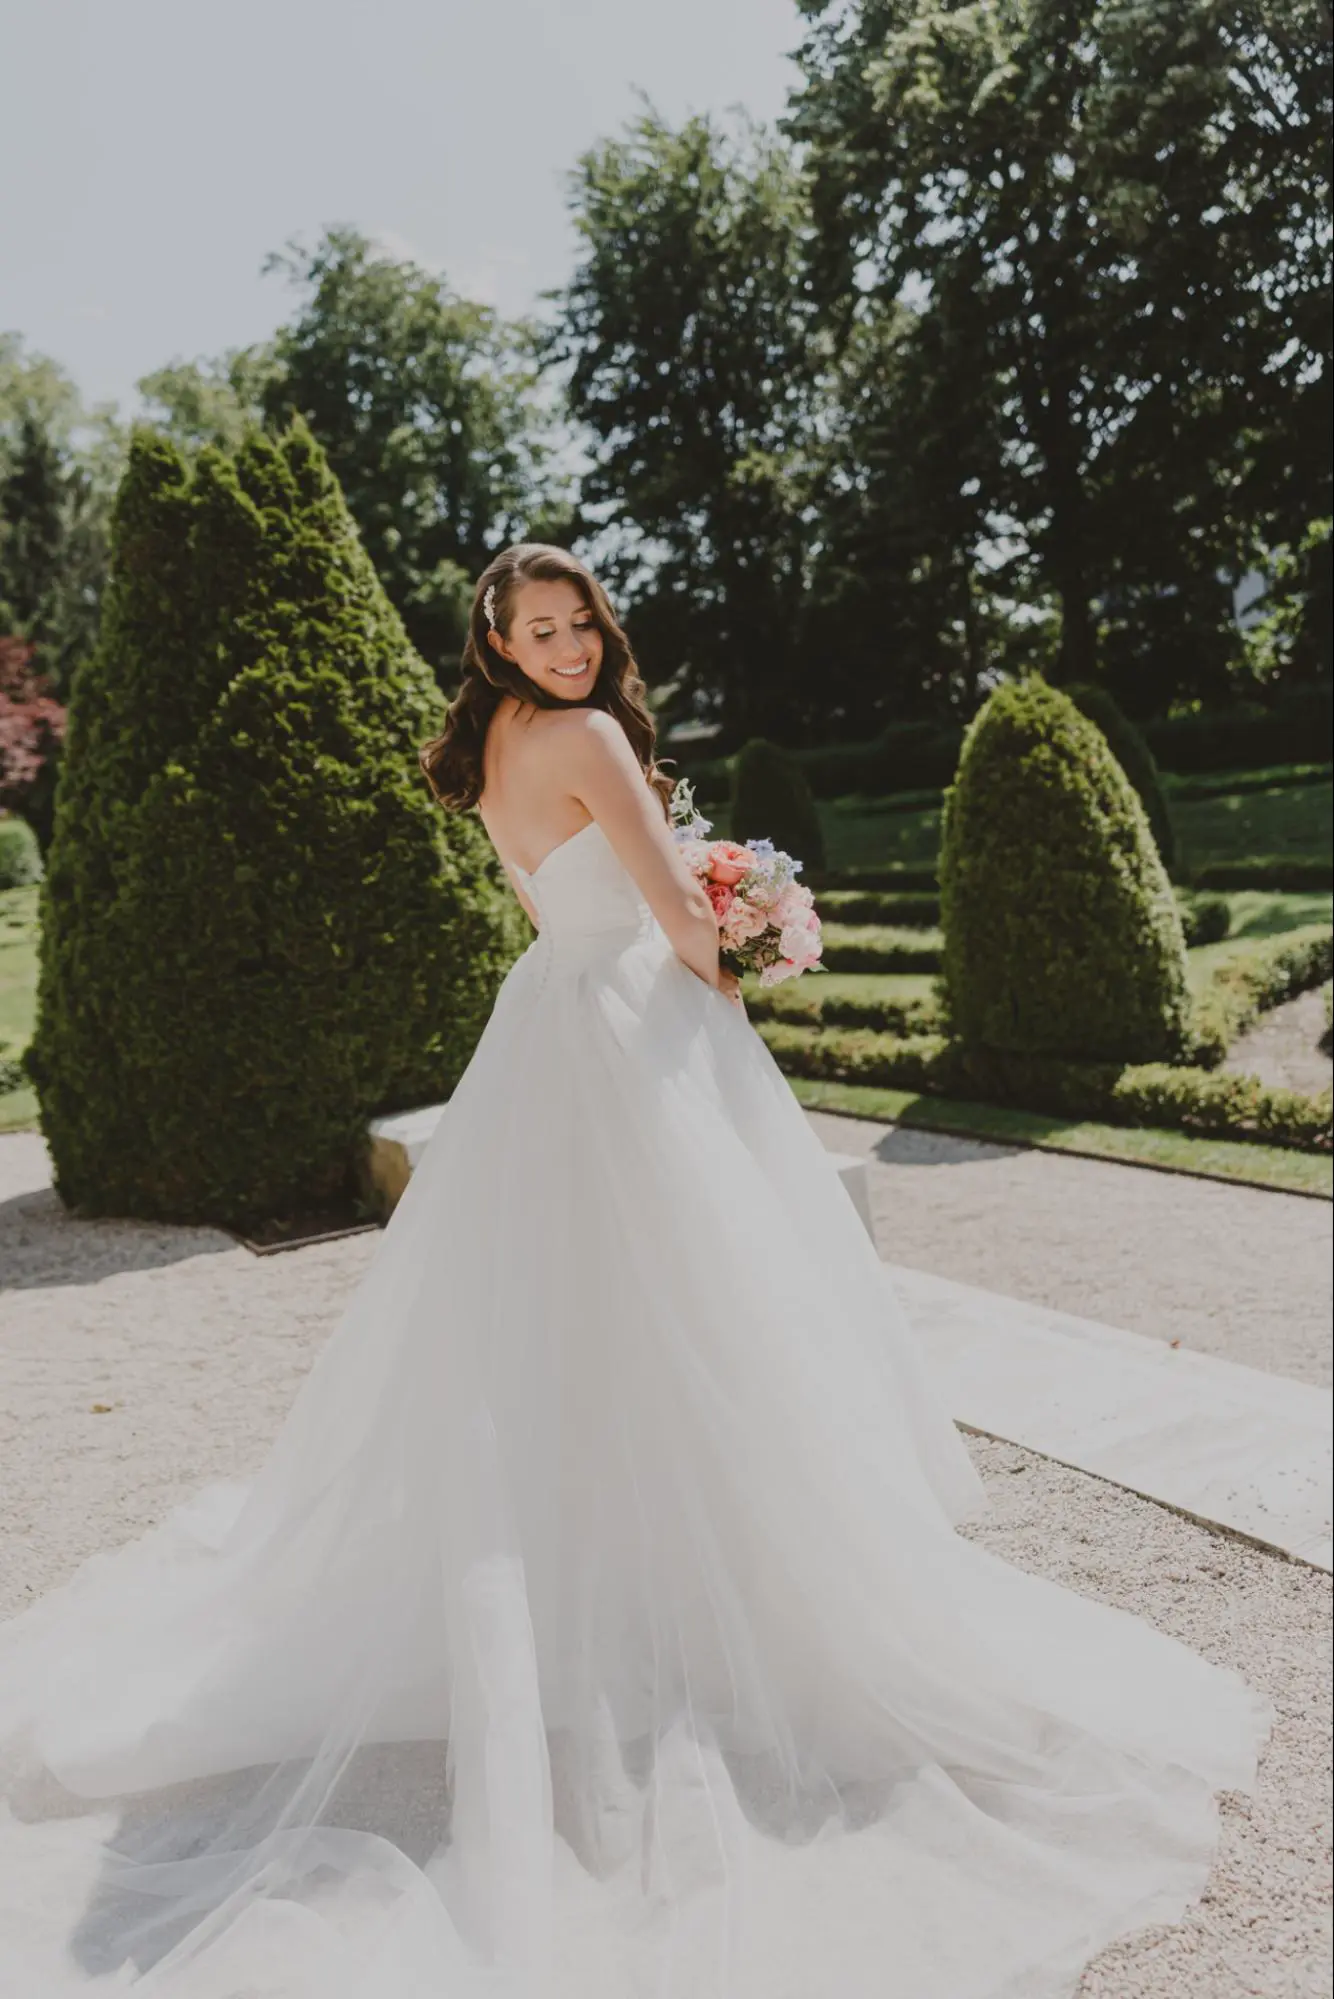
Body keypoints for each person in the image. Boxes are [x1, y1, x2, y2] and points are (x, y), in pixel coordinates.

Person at [0, 543, 1272, 1998]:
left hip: (547, 1024)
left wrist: (702, 921)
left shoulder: (484, 749)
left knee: (563, 1321)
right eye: (536, 629)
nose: (563, 646)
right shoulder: (595, 735)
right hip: (636, 1023)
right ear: (495, 636)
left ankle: (593, 1580)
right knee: (712, 1306)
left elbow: (559, 907)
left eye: (576, 624)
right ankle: (741, 1600)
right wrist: (745, 951)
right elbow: (672, 912)